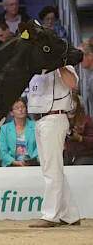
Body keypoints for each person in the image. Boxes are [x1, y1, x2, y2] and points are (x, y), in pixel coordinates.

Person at [28, 65, 81, 227]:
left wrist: (59, 63)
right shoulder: (37, 66)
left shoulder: (65, 66)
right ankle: (70, 214)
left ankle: (50, 215)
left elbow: (73, 84)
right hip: (38, 120)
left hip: (54, 118)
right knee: (51, 168)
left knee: (52, 169)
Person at [0, 98, 38, 167]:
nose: (20, 109)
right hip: (12, 165)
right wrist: (15, 162)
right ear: (11, 112)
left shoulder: (36, 126)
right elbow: (2, 152)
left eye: (23, 107)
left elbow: (40, 147)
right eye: (17, 108)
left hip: (32, 164)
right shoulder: (4, 129)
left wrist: (31, 161)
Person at [64, 93, 93, 165]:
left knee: (80, 164)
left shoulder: (86, 120)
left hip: (85, 155)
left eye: (72, 101)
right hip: (68, 155)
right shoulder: (62, 120)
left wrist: (80, 138)